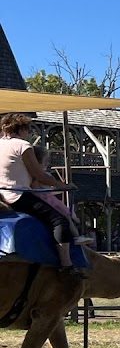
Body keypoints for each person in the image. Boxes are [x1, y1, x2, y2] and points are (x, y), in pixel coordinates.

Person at [0, 114, 80, 272]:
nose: (29, 133)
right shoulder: (22, 145)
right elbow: (39, 175)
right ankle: (66, 265)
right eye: (28, 130)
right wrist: (64, 186)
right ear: (22, 129)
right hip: (18, 196)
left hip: (2, 195)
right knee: (59, 221)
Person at [30, 146, 92, 245]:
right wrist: (64, 187)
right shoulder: (42, 176)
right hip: (47, 200)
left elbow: (47, 190)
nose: (47, 164)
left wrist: (62, 189)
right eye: (45, 162)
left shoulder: (32, 176)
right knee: (65, 215)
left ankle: (75, 234)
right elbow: (47, 188)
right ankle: (75, 236)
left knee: (66, 213)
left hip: (44, 197)